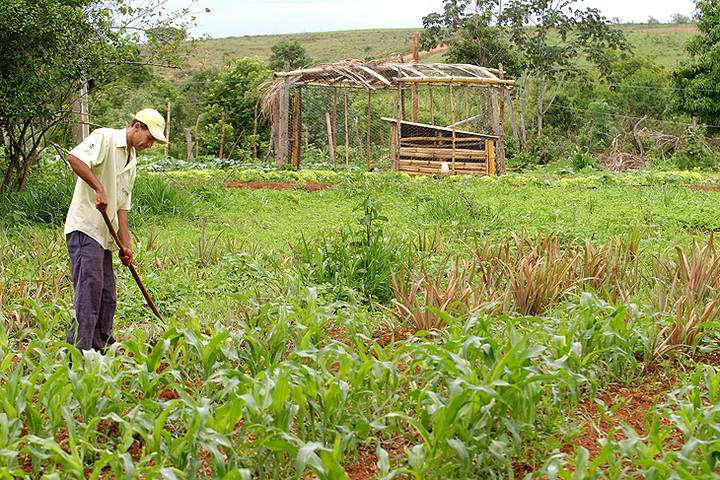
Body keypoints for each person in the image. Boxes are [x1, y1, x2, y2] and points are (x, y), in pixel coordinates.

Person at [64, 108, 167, 352]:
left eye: (154, 141)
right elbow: (75, 158)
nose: (150, 144)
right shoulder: (105, 138)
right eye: (150, 138)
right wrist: (98, 188)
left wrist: (126, 245)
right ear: (137, 126)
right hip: (86, 227)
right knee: (89, 290)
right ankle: (79, 355)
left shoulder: (131, 163)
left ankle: (101, 348)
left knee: (107, 294)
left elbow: (122, 208)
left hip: (105, 237)